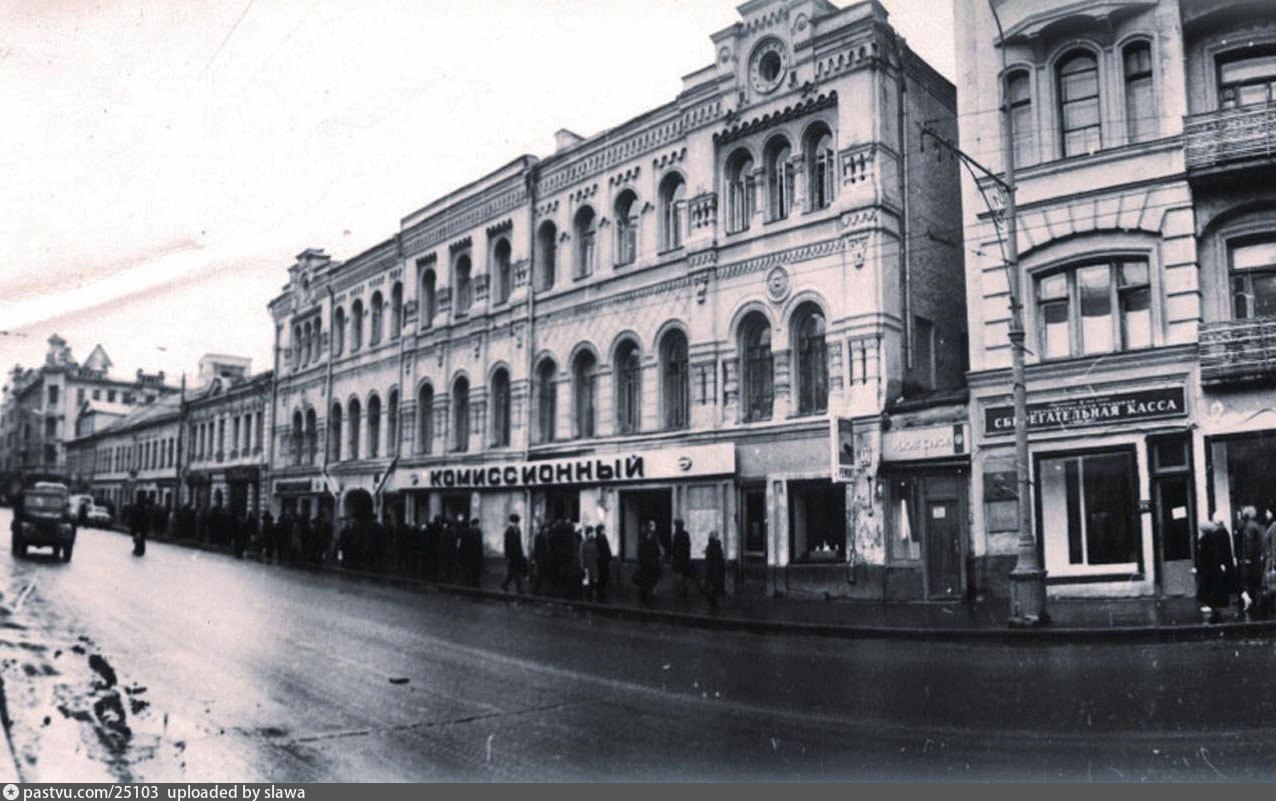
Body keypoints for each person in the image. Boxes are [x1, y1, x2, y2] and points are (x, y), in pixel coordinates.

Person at [1197, 517, 1238, 623]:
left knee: (1208, 590)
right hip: (1213, 568)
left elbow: (1205, 556)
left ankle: (1214, 609)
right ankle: (1215, 609)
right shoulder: (1216, 536)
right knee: (1212, 590)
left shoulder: (1207, 539)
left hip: (1210, 569)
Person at [1237, 506, 1264, 619]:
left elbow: (1248, 545)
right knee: (1256, 584)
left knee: (1247, 582)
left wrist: (1246, 559)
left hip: (1250, 561)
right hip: (1257, 560)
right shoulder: (1257, 526)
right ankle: (1257, 606)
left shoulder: (1248, 527)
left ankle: (1251, 606)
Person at [635, 524, 662, 605]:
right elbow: (657, 551)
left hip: (646, 563)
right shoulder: (652, 539)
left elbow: (639, 552)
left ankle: (645, 595)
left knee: (646, 579)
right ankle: (649, 595)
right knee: (650, 579)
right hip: (650, 563)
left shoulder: (642, 540)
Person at [501, 514, 528, 593]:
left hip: (518, 555)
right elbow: (506, 545)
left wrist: (521, 554)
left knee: (512, 572)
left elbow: (519, 544)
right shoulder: (508, 531)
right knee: (515, 572)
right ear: (512, 522)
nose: (516, 524)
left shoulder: (518, 530)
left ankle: (505, 585)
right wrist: (507, 556)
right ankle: (519, 589)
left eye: (517, 522)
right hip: (512, 555)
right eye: (515, 522)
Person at [671, 518, 694, 600]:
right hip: (684, 558)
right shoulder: (686, 534)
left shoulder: (676, 535)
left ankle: (679, 591)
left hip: (678, 559)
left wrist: (673, 554)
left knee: (679, 575)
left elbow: (673, 548)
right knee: (684, 576)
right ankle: (683, 591)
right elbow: (688, 546)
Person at [703, 530, 726, 612]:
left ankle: (713, 604)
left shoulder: (711, 546)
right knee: (715, 586)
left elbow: (711, 559)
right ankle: (714, 604)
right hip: (715, 570)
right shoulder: (716, 546)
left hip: (713, 570)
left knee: (712, 587)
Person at [461, 518, 484, 588]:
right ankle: (468, 582)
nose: (477, 526)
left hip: (476, 553)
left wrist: (481, 553)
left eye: (477, 524)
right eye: (476, 524)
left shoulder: (479, 532)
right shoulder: (468, 532)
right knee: (469, 568)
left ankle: (475, 582)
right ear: (473, 525)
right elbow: (465, 543)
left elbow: (480, 544)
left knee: (476, 569)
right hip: (470, 553)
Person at [581, 526, 601, 602]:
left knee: (594, 580)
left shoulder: (594, 542)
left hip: (594, 564)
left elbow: (597, 553)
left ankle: (592, 593)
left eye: (592, 532)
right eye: (590, 532)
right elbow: (582, 555)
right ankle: (587, 596)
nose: (591, 534)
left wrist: (597, 556)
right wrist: (583, 565)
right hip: (587, 565)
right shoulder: (584, 543)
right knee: (587, 582)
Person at [594, 523, 613, 603]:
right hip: (603, 561)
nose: (604, 531)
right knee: (603, 577)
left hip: (600, 560)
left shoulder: (596, 539)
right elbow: (606, 549)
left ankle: (599, 591)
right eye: (604, 530)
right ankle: (600, 593)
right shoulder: (603, 538)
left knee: (601, 576)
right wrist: (609, 557)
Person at [531, 519, 549, 594]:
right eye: (546, 528)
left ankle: (538, 591)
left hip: (543, 558)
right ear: (544, 529)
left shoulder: (544, 536)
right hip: (540, 558)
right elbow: (536, 548)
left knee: (541, 575)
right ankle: (535, 591)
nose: (547, 530)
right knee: (539, 575)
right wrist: (534, 558)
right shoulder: (539, 537)